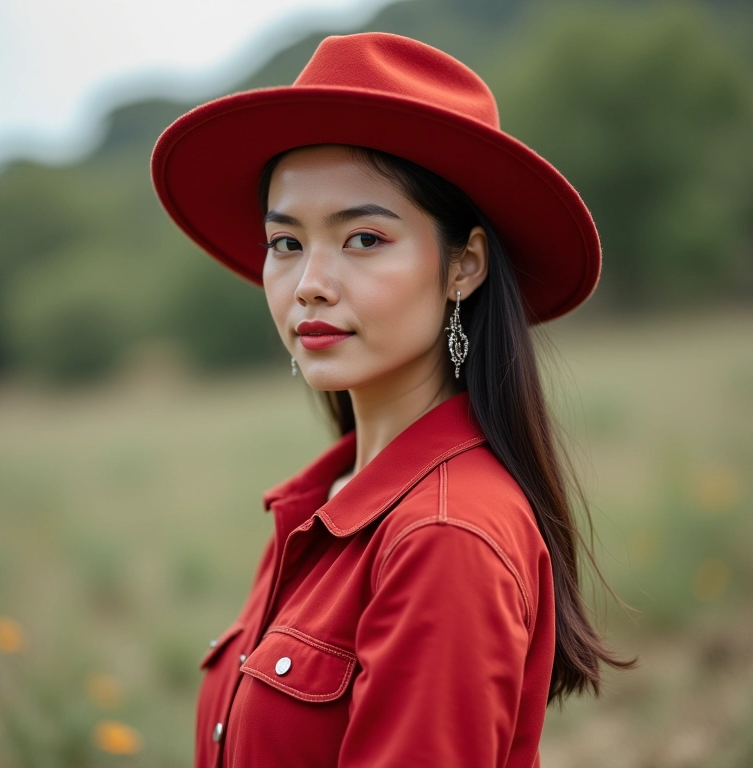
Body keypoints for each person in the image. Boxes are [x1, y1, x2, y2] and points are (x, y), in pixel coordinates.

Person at [151, 31, 634, 768]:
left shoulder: (445, 537)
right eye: (286, 244)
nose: (310, 283)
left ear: (463, 266)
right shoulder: (323, 505)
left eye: (364, 239)